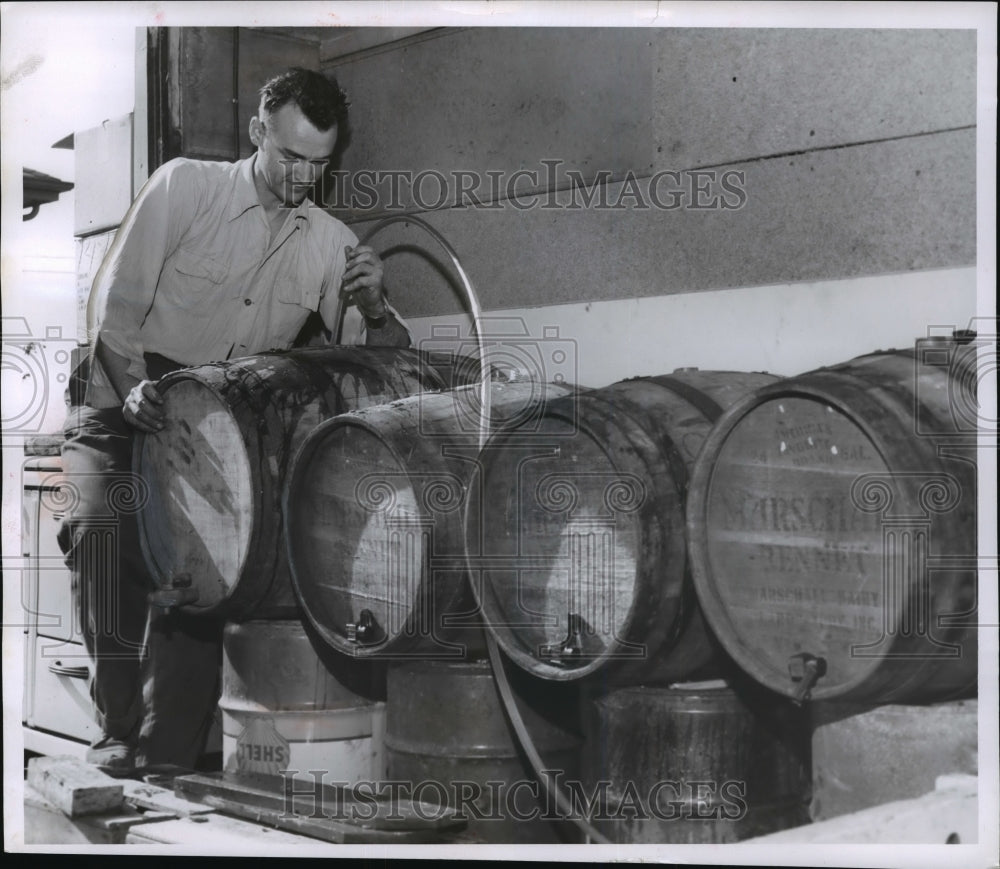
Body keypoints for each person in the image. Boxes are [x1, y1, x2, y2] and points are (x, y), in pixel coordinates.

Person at [58, 67, 410, 772]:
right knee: (102, 529)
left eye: (320, 161)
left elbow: (371, 371)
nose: (303, 175)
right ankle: (118, 727)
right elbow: (114, 312)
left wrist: (374, 308)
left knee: (209, 569)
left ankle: (168, 756)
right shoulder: (185, 186)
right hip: (124, 395)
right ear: (258, 133)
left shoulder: (332, 244)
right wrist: (134, 394)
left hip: (219, 421)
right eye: (290, 156)